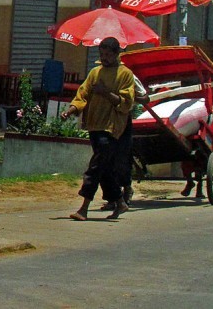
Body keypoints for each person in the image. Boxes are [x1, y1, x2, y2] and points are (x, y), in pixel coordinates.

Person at [61, 36, 135, 221]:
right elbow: (82, 94)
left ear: (117, 54)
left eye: (108, 55)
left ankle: (84, 208)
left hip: (112, 128)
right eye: (102, 54)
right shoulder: (95, 73)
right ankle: (119, 202)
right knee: (105, 168)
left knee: (95, 167)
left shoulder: (125, 74)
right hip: (94, 125)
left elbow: (126, 102)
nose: (105, 58)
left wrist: (106, 93)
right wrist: (70, 111)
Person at [101, 74, 149, 211]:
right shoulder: (99, 74)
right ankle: (111, 197)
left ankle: (126, 189)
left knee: (122, 157)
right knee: (104, 159)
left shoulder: (128, 76)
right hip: (103, 119)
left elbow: (146, 98)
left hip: (122, 119)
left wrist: (130, 99)